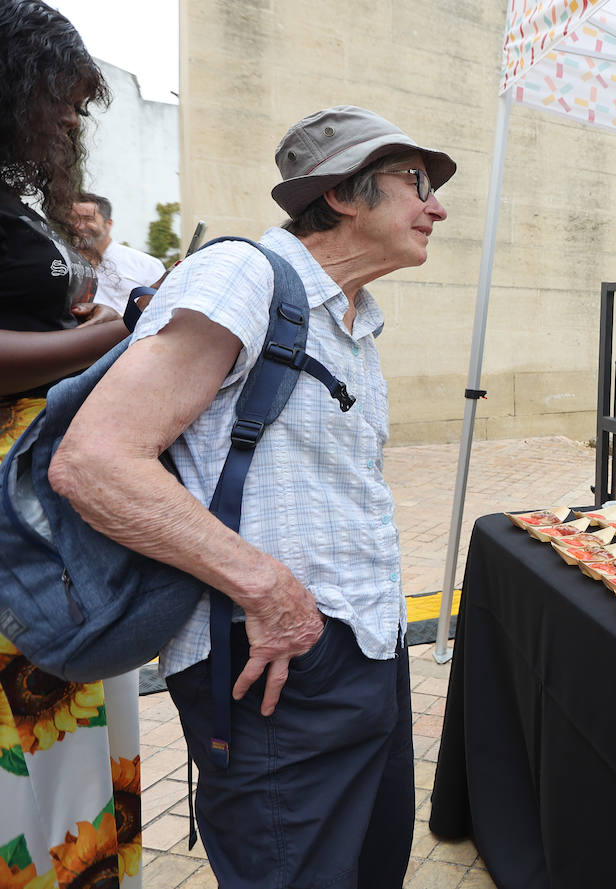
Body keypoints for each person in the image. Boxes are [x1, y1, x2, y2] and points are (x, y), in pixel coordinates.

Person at [50, 105, 455, 888]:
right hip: (274, 668)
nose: (435, 207)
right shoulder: (244, 274)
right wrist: (269, 590)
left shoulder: (354, 320)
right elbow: (94, 462)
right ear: (341, 192)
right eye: (417, 181)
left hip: (361, 651)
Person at [1, 3, 144, 887]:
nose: (70, 119)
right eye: (60, 95)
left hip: (39, 486)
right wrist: (104, 338)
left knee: (77, 697)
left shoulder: (11, 197)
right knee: (36, 714)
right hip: (13, 510)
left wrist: (71, 323)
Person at [71, 192, 167, 315]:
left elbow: (162, 312)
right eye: (73, 219)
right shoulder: (60, 262)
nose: (78, 226)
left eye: (88, 219)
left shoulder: (146, 265)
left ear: (109, 224)